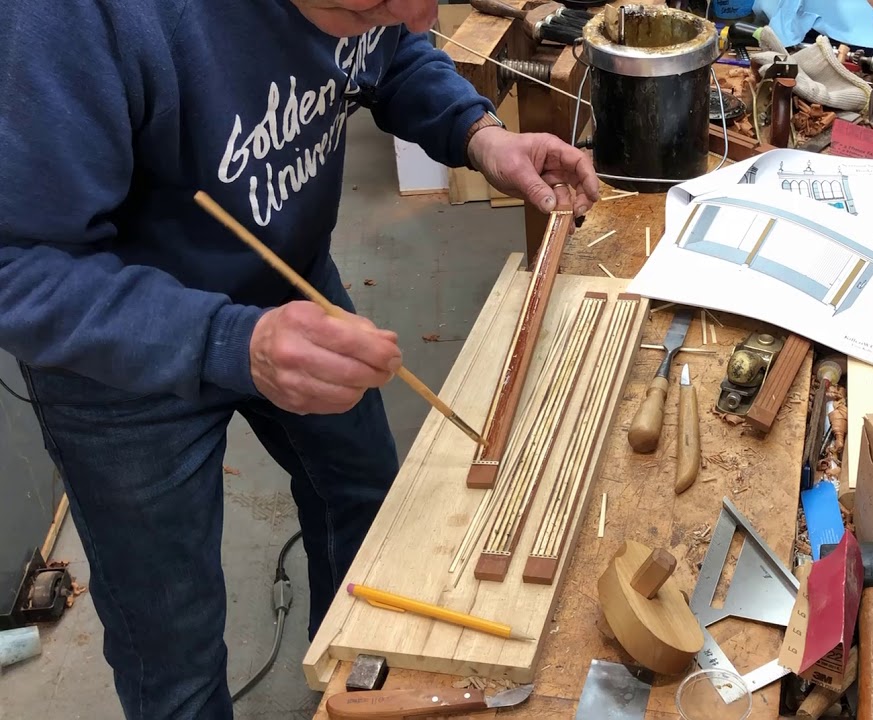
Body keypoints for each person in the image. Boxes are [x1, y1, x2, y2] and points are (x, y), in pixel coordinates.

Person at [0, 1, 599, 717]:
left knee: (369, 509)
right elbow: (19, 265)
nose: (413, 15)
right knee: (175, 657)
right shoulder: (71, 21)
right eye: (373, 2)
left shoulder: (382, 10)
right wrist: (229, 342)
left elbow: (391, 56)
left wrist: (477, 133)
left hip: (293, 285)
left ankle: (344, 693)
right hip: (121, 358)